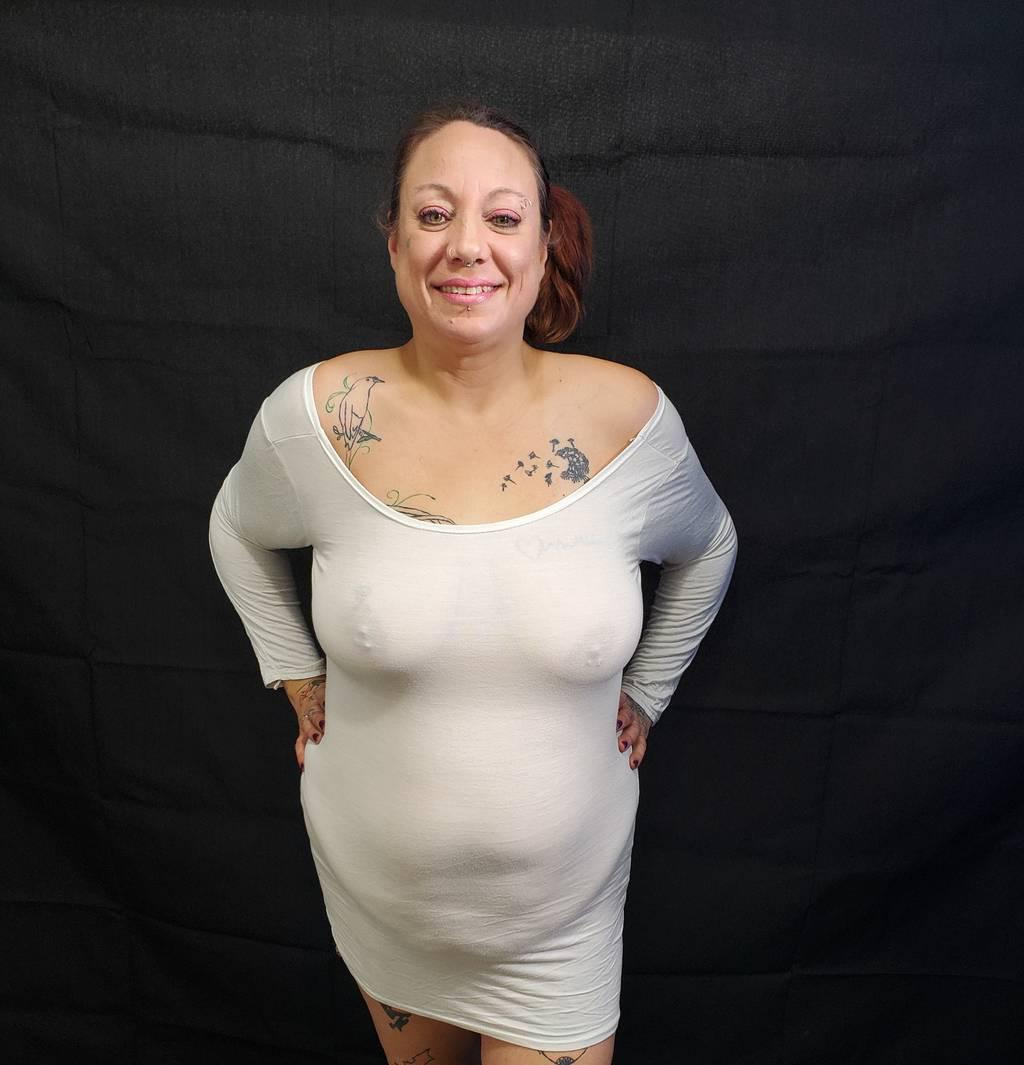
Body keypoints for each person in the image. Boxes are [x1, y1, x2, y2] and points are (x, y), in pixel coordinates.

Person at [208, 99, 738, 1065]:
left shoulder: (629, 421)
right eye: (433, 213)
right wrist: (297, 673)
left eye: (502, 217)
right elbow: (235, 526)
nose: (466, 246)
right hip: (384, 903)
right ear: (395, 243)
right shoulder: (317, 418)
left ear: (541, 248)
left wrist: (648, 689)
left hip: (562, 919)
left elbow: (711, 544)